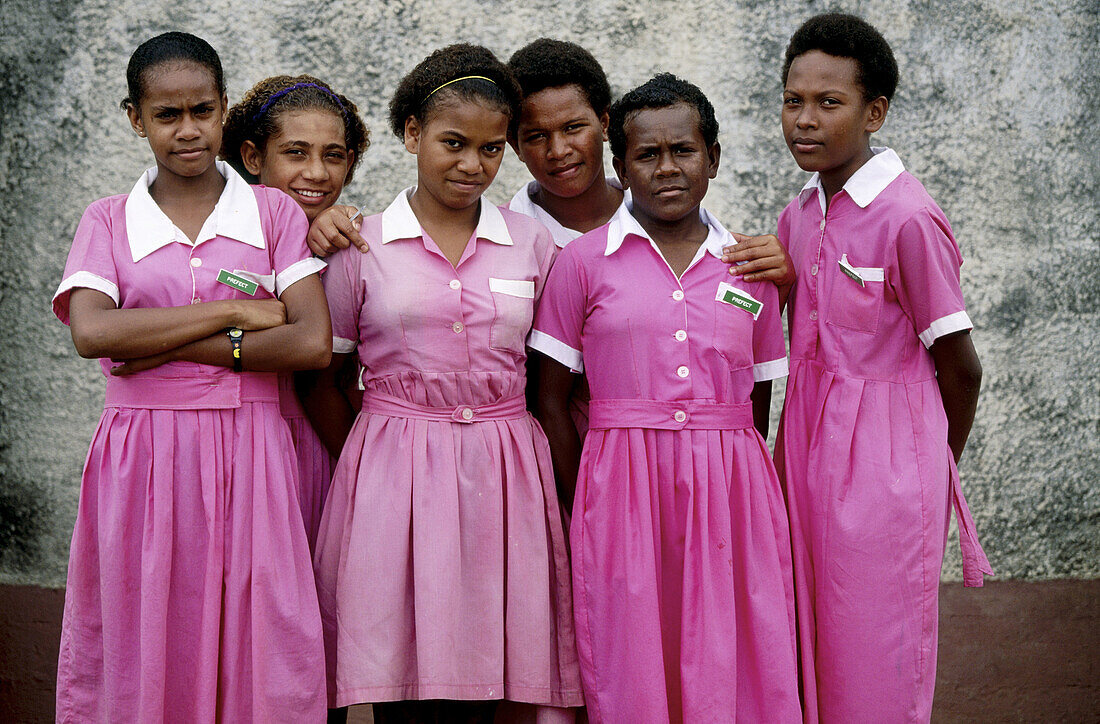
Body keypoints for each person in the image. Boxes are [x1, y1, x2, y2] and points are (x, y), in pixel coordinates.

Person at [52, 32, 330, 721]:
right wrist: (235, 309)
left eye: (202, 110)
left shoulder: (272, 213)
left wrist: (162, 343)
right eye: (166, 115)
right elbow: (93, 332)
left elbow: (311, 340)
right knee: (145, 620)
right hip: (141, 454)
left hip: (252, 445)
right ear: (135, 119)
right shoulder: (108, 220)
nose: (187, 130)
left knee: (259, 627)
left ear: (224, 109)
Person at [306, 44, 583, 723]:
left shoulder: (533, 245)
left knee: (501, 672)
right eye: (453, 143)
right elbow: (323, 375)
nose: (471, 165)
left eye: (491, 150)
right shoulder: (359, 245)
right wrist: (372, 461)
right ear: (411, 134)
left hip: (508, 472)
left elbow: (561, 376)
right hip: (393, 476)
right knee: (405, 671)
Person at [531, 73, 801, 723]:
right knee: (630, 646)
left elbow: (758, 393)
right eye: (646, 155)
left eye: (683, 150)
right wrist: (587, 492)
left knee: (733, 641)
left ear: (713, 156)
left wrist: (731, 467)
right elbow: (550, 396)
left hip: (731, 485)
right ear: (621, 167)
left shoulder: (749, 266)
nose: (667, 168)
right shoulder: (584, 263)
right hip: (618, 483)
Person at [774, 13, 993, 722]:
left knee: (875, 655)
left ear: (875, 112)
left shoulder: (908, 218)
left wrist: (926, 468)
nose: (805, 120)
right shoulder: (800, 214)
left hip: (886, 473)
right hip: (802, 456)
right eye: (793, 100)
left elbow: (961, 368)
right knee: (808, 640)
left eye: (828, 103)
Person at [221, 75, 370, 550]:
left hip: (322, 439)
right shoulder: (224, 238)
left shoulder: (351, 243)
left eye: (333, 155)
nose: (317, 173)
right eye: (296, 152)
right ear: (252, 158)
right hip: (239, 441)